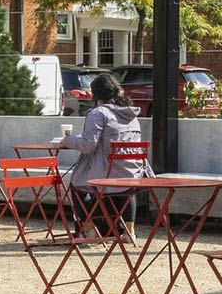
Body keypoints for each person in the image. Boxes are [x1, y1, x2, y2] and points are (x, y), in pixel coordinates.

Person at [55, 72, 151, 232]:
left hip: (108, 173)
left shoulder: (98, 113)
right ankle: (130, 232)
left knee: (76, 182)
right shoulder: (131, 114)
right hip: (134, 173)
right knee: (125, 190)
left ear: (96, 95)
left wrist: (67, 140)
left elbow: (88, 145)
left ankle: (87, 225)